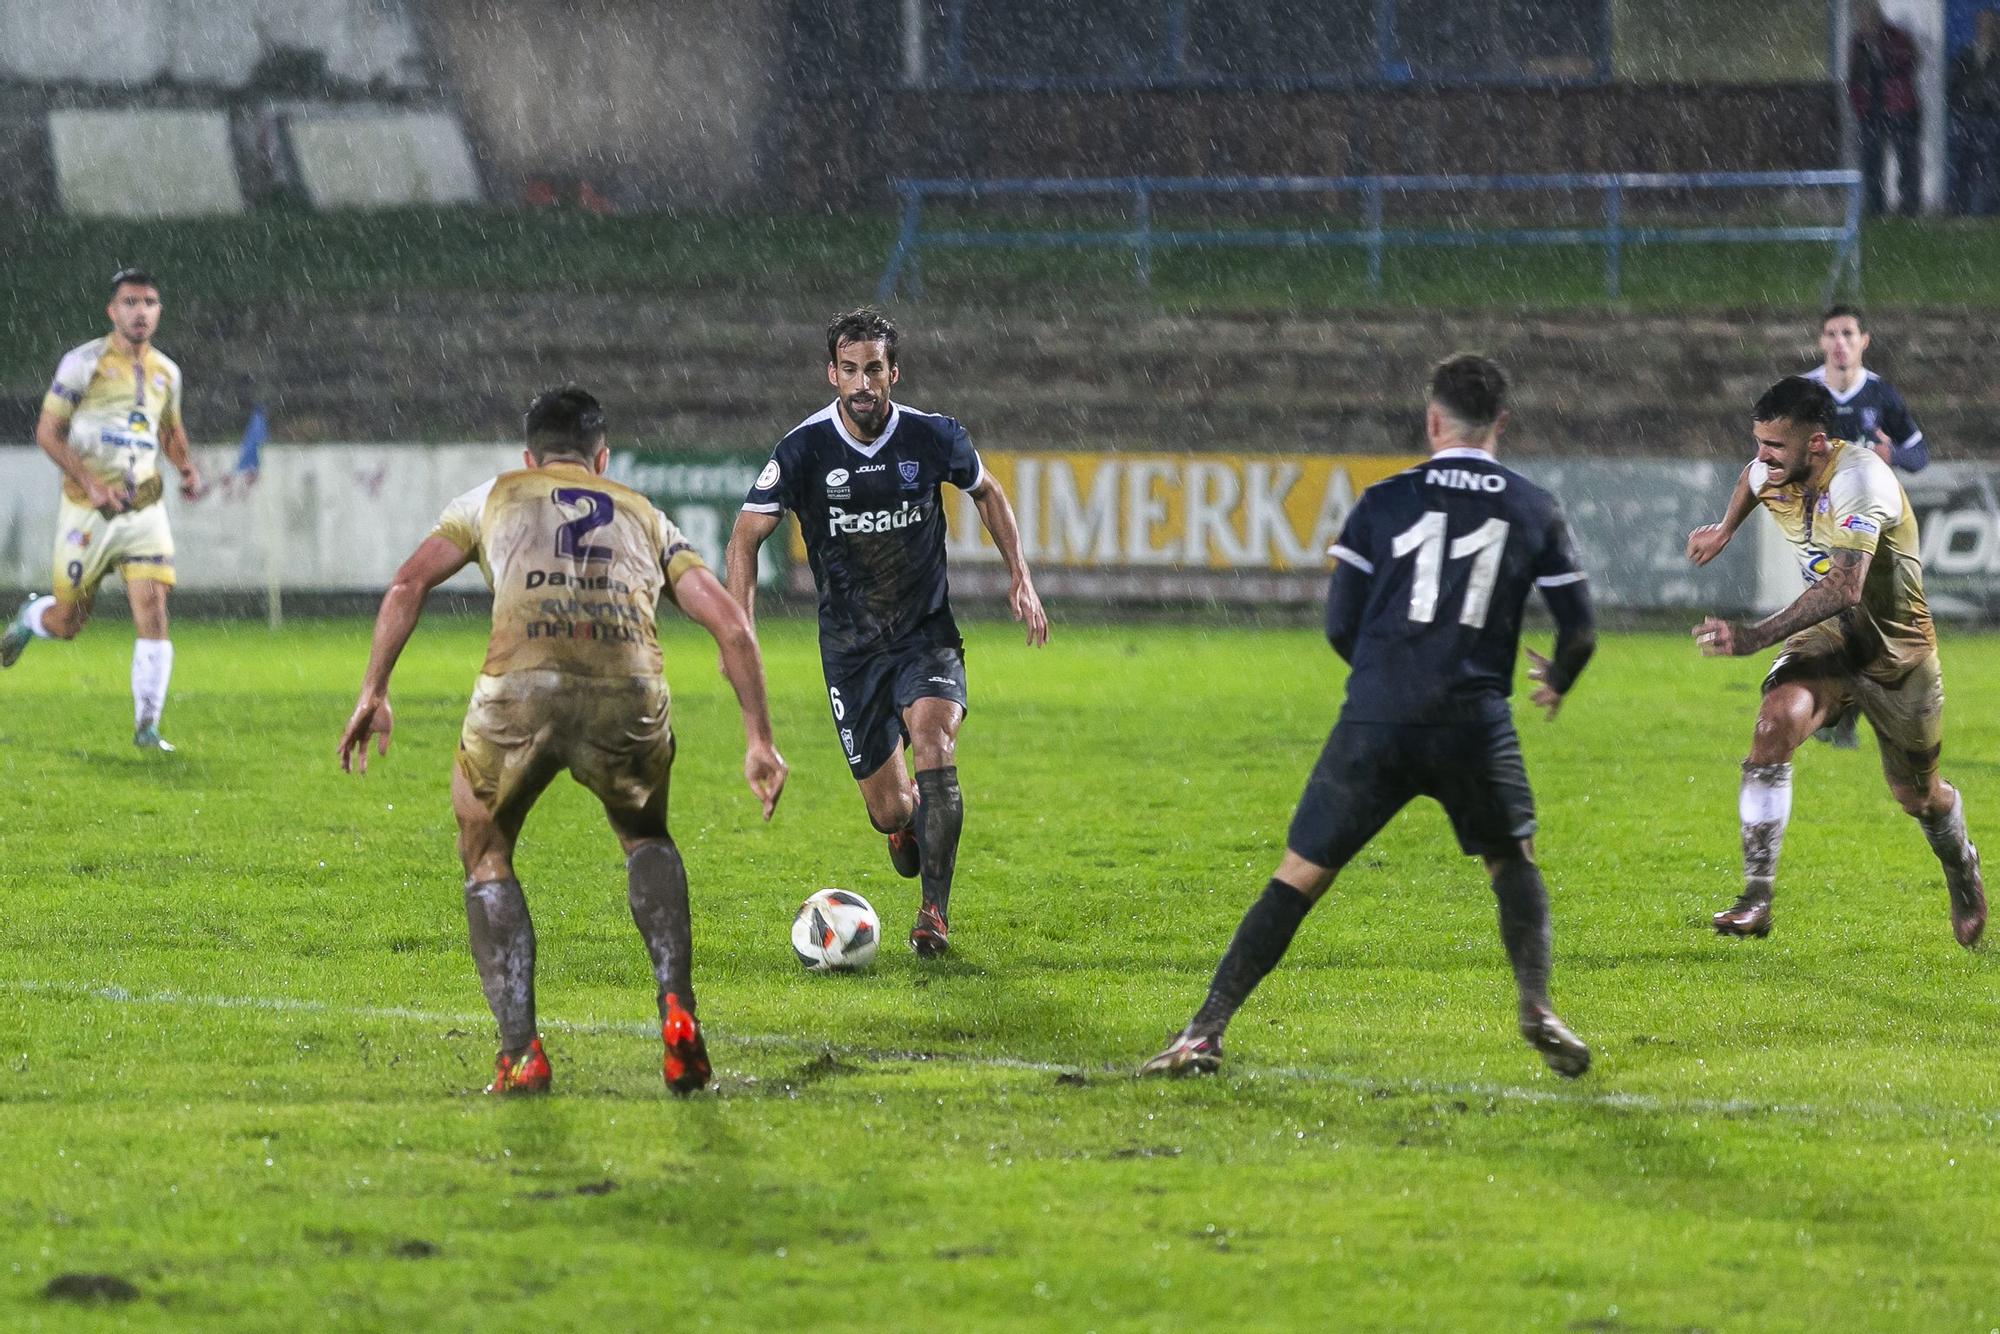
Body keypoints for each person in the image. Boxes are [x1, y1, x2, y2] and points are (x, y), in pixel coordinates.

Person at [1140, 354, 1597, 1080]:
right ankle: (1537, 1005)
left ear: (1432, 419)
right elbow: (1580, 629)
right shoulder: (1533, 506)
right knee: (1511, 859)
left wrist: (1390, 681)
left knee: (1300, 874)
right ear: (1500, 423)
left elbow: (1339, 623)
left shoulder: (1383, 501)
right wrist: (1559, 679)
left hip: (1377, 719)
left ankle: (1204, 1029)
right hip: (1474, 720)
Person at [336, 386, 788, 1096]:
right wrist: (759, 738)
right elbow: (731, 623)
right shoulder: (642, 512)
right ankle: (677, 1014)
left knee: (484, 849)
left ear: (530, 455)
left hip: (520, 686)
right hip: (628, 686)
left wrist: (374, 690)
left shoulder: (492, 495)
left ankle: (521, 1054)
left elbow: (406, 583)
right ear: (600, 457)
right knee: (646, 838)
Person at [725, 308, 1048, 959]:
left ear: (893, 371)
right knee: (892, 810)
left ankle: (934, 913)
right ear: (832, 374)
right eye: (850, 369)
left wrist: (1021, 576)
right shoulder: (804, 449)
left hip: (925, 635)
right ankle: (904, 831)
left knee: (934, 740)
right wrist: (740, 624)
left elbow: (988, 493)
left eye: (874, 368)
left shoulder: (933, 437)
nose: (863, 382)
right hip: (850, 652)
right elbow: (744, 536)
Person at [1686, 376, 1983, 948]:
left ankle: (1961, 866)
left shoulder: (1860, 479)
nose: (1761, 456)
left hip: (1897, 651)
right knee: (1773, 725)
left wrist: (1753, 637)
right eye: (1758, 441)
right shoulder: (1772, 469)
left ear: (1817, 444)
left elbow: (1845, 588)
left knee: (1917, 796)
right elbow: (1749, 480)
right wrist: (1725, 530)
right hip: (1827, 640)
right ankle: (1756, 898)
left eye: (1775, 445)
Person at [1, 269, 204, 750]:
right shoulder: (83, 363)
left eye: (149, 302)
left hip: (142, 510)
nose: (140, 311)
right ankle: (33, 619)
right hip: (87, 512)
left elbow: (169, 430)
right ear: (112, 311)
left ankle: (147, 728)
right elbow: (47, 433)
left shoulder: (166, 373)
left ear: (158, 312)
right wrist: (89, 483)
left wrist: (186, 468)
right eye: (130, 302)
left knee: (153, 609)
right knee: (68, 623)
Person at [1802, 306, 1927, 747]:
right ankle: (1835, 710)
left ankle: (1840, 713)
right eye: (1832, 334)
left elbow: (1919, 453)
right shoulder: (1803, 394)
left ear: (1863, 341)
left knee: (1861, 618)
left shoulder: (1882, 396)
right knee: (1836, 616)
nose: (1840, 342)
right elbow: (1772, 450)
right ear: (1821, 341)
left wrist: (1893, 457)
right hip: (1818, 524)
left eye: (1848, 333)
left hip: (1869, 527)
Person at [1851, 3, 1924, 217]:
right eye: (1861, 17)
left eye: (1867, 17)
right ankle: (1875, 208)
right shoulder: (1857, 44)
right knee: (1871, 161)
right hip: (1870, 110)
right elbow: (1854, 78)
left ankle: (1909, 206)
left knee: (1907, 159)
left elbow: (1910, 61)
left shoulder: (1895, 37)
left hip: (1899, 108)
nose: (1864, 22)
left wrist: (1882, 50)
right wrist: (1858, 106)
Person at [1948, 10, 2000, 216]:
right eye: (1982, 24)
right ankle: (1959, 210)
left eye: (1989, 24)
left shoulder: (1996, 56)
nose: (1985, 28)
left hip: (1991, 118)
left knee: (1990, 167)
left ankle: (1987, 212)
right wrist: (1962, 103)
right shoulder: (1967, 54)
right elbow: (1954, 84)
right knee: (1962, 165)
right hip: (1968, 116)